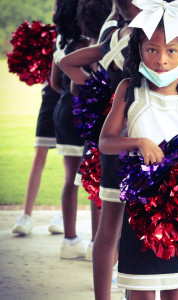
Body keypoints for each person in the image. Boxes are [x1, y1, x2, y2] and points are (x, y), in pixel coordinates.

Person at [98, 0, 178, 299]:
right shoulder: (128, 90)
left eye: (171, 51)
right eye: (152, 49)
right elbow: (106, 142)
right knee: (139, 290)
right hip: (138, 209)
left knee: (177, 289)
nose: (161, 60)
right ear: (138, 49)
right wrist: (139, 142)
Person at [58, 0, 140, 291]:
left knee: (108, 231)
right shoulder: (147, 36)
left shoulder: (113, 39)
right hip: (139, 145)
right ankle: (135, 288)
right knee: (137, 229)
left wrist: (100, 94)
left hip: (113, 143)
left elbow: (66, 64)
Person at [12, 1, 64, 237]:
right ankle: (27, 215)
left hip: (69, 103)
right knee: (39, 156)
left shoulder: (80, 36)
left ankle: (63, 216)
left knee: (69, 161)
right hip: (50, 99)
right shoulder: (49, 37)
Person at [74, 0, 112, 262]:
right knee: (108, 209)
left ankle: (92, 243)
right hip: (111, 129)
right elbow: (67, 65)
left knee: (101, 198)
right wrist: (98, 90)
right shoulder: (114, 35)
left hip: (103, 127)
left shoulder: (108, 32)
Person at [51, 0, 88, 259]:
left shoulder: (60, 42)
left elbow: (54, 82)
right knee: (97, 179)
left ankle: (70, 240)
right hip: (81, 116)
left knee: (70, 180)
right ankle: (98, 243)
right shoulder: (88, 45)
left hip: (62, 111)